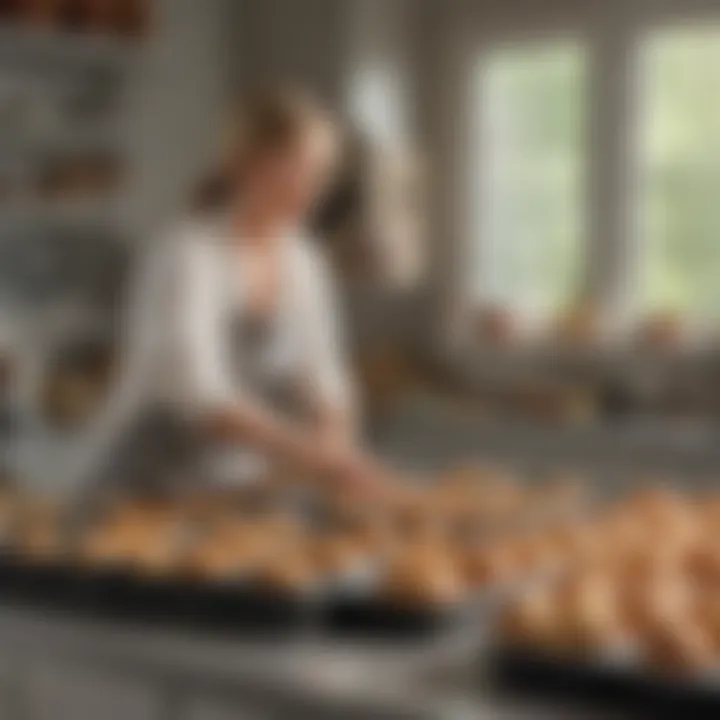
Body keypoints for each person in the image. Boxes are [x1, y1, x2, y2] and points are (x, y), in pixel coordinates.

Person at [75, 89, 398, 499]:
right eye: (296, 170)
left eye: (320, 173)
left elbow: (325, 373)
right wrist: (307, 453)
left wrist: (338, 444)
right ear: (245, 167)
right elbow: (196, 390)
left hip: (228, 483)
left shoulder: (304, 261)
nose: (310, 189)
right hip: (139, 479)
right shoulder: (187, 253)